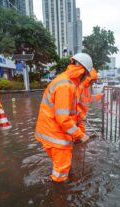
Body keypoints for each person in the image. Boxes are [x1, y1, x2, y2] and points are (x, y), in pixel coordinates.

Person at [35, 53, 92, 183]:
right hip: (55, 134)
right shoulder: (66, 85)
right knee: (60, 174)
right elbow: (63, 119)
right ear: (82, 72)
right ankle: (58, 196)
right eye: (86, 75)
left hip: (51, 131)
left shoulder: (65, 81)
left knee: (60, 166)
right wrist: (80, 135)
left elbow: (68, 111)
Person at [76, 68, 103, 133]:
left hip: (79, 117)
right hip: (76, 117)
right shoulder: (79, 87)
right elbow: (73, 104)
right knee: (79, 134)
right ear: (89, 78)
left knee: (82, 133)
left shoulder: (85, 88)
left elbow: (88, 99)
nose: (94, 82)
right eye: (93, 80)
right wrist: (82, 115)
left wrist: (100, 96)